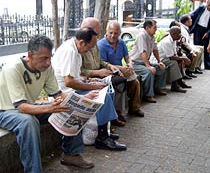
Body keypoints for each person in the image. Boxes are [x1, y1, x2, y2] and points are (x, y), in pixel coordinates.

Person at [0, 35, 101, 172]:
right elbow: (21, 107)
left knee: (68, 107)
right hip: (5, 110)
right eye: (44, 58)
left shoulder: (46, 69)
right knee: (28, 122)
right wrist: (50, 107)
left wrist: (81, 100)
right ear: (30, 54)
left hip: (27, 107)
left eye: (49, 57)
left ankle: (71, 154)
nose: (48, 63)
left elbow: (59, 95)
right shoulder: (13, 68)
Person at [52, 27, 127, 152]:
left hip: (71, 88)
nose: (90, 50)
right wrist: (93, 86)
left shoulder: (76, 50)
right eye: (90, 47)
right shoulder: (70, 51)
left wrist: (89, 80)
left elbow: (75, 76)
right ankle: (102, 138)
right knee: (102, 96)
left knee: (107, 90)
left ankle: (104, 131)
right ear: (82, 42)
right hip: (64, 92)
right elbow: (69, 82)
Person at [80, 17, 127, 126]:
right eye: (97, 30)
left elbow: (100, 61)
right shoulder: (80, 47)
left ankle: (116, 113)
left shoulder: (95, 43)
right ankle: (110, 119)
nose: (99, 32)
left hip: (99, 74)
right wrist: (96, 73)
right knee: (110, 87)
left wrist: (110, 66)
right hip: (89, 78)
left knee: (121, 81)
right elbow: (79, 72)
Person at [98, 20, 144, 117]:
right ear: (106, 32)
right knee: (120, 84)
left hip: (121, 71)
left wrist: (129, 65)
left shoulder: (121, 42)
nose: (113, 35)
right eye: (110, 33)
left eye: (116, 33)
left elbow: (127, 58)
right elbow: (103, 64)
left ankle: (134, 108)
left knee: (135, 82)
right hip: (108, 72)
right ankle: (117, 114)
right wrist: (120, 68)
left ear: (119, 33)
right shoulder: (101, 45)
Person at [129, 19, 167, 103]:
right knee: (148, 72)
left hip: (144, 62)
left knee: (161, 68)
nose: (156, 29)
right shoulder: (142, 36)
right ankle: (148, 95)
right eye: (154, 27)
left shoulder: (152, 37)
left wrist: (159, 61)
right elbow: (143, 52)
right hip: (135, 63)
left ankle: (158, 88)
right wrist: (148, 66)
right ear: (147, 28)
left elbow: (155, 50)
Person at [158, 26, 192, 93]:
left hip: (166, 58)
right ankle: (175, 85)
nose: (180, 35)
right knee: (174, 63)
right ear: (173, 34)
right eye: (179, 33)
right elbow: (171, 57)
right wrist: (184, 58)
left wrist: (180, 50)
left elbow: (174, 54)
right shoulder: (167, 42)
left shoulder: (173, 41)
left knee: (179, 61)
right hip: (159, 59)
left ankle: (180, 81)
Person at [190, 0, 210, 69]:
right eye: (209, 5)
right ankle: (197, 66)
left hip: (206, 30)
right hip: (198, 29)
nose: (209, 7)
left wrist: (208, 33)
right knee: (197, 48)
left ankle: (207, 66)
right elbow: (193, 14)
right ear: (207, 3)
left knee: (206, 48)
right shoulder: (201, 8)